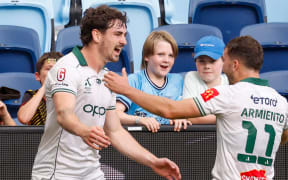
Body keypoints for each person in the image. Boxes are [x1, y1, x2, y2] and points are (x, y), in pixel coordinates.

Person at [104, 36, 288, 180]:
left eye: (224, 60)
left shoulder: (226, 94)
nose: (222, 66)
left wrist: (126, 90)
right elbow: (283, 138)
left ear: (235, 64)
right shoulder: (281, 102)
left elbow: (170, 110)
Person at [31, 5, 181, 180]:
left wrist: (153, 161)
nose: (124, 41)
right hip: (57, 174)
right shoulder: (66, 67)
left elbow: (115, 131)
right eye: (118, 34)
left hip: (92, 173)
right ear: (97, 35)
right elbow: (64, 114)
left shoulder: (107, 78)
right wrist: (84, 131)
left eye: (124, 35)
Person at [116, 31, 191, 132]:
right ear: (146, 56)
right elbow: (115, 114)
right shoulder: (134, 80)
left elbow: (191, 110)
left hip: (172, 142)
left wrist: (183, 117)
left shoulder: (178, 80)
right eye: (160, 54)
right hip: (140, 140)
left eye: (171, 56)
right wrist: (140, 120)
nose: (166, 60)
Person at [183, 36, 228, 124]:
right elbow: (189, 115)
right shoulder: (191, 77)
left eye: (212, 61)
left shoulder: (229, 81)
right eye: (201, 61)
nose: (207, 66)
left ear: (224, 60)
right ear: (195, 61)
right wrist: (224, 117)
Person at [18, 52, 63, 125]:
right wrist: (45, 87)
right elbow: (24, 118)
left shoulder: (72, 96)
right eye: (49, 69)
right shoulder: (31, 95)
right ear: (38, 76)